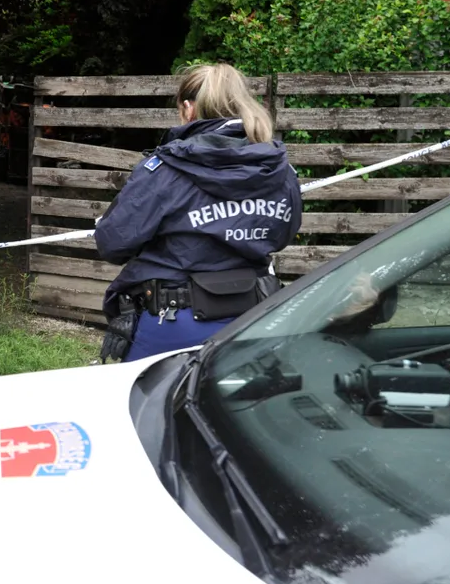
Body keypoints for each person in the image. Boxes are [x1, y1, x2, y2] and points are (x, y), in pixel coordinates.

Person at [95, 63, 301, 363]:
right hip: (252, 321)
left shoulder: (164, 169)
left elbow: (113, 243)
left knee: (142, 394)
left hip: (174, 322)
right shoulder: (280, 170)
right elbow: (283, 235)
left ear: (189, 109)